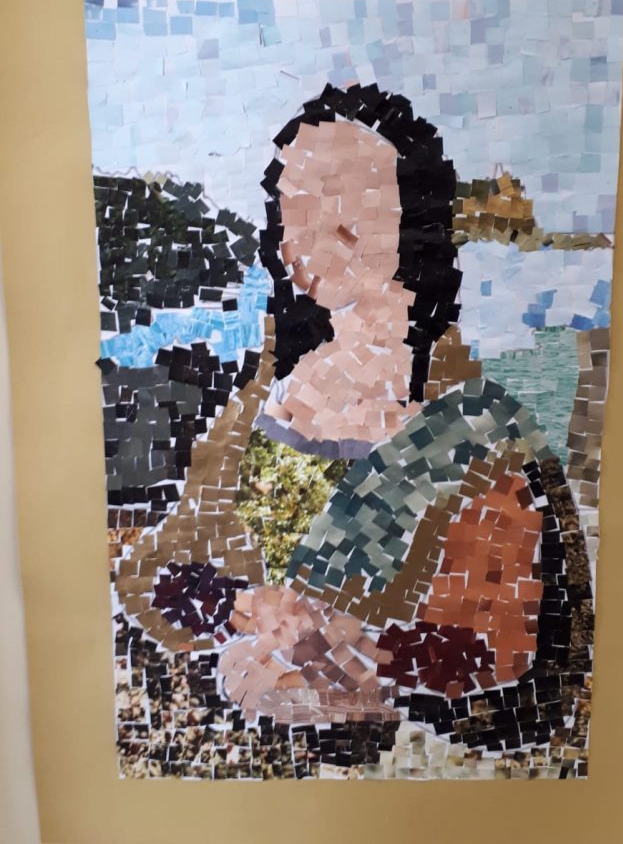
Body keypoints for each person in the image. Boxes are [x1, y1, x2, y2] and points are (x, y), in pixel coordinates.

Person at [115, 83, 593, 758]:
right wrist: (241, 607)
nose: (324, 228)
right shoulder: (265, 400)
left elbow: (499, 650)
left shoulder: (479, 427)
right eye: (298, 203)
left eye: (347, 195)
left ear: (414, 213)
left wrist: (346, 648)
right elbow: (158, 570)